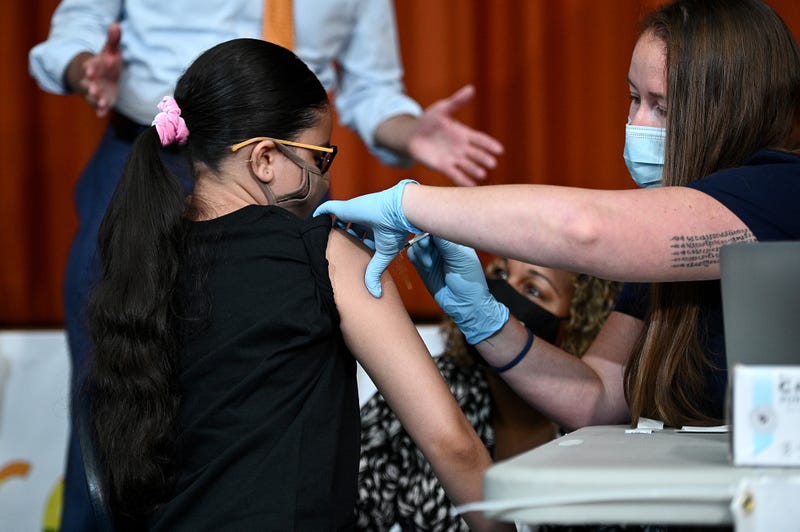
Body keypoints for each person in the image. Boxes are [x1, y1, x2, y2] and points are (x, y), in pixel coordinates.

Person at [28, 2, 503, 529]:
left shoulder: (138, 258)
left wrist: (409, 130)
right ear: (266, 160)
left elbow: (374, 88)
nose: (326, 180)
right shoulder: (326, 255)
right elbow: (452, 444)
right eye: (321, 158)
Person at [315, 0, 800, 433]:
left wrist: (407, 203)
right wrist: (484, 320)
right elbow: (598, 397)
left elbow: (584, 231)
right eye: (634, 98)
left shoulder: (782, 191)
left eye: (663, 107)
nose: (637, 124)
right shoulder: (668, 236)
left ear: (729, 114)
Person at [357, 256, 621, 531]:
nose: (502, 296)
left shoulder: (601, 439)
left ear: (579, 325)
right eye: (501, 274)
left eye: (533, 289)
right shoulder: (435, 385)